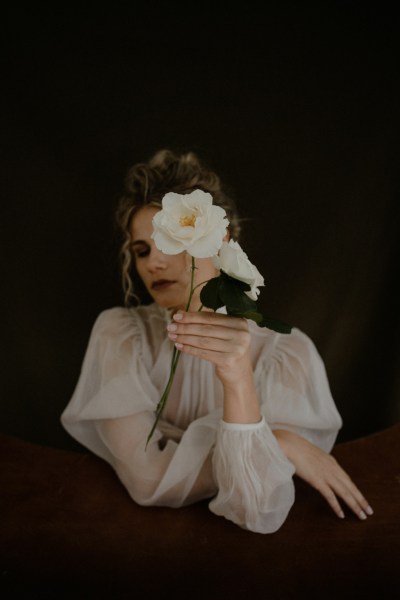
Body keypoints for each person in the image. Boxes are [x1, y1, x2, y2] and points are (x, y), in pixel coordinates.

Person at [61, 148, 373, 534]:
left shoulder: (289, 353)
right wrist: (279, 445)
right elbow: (147, 480)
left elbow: (258, 509)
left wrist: (238, 376)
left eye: (167, 242)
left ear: (218, 237)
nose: (152, 263)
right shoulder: (122, 336)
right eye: (141, 251)